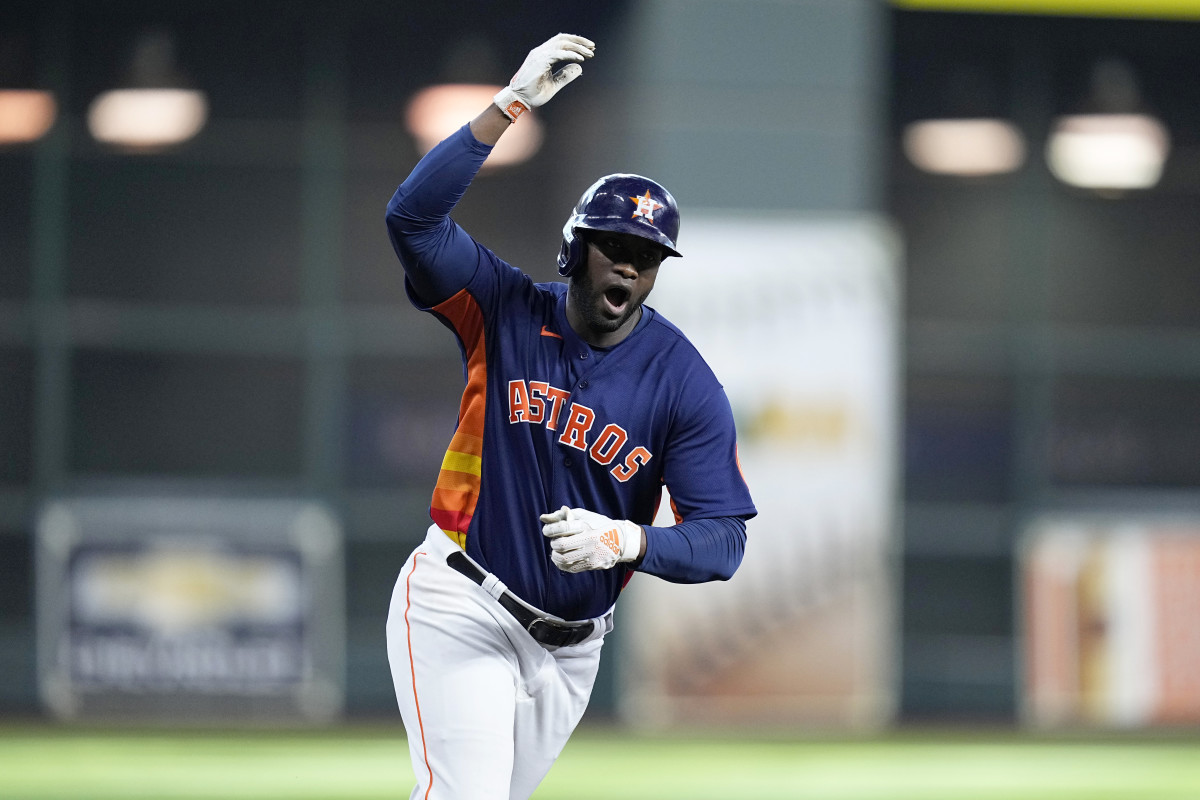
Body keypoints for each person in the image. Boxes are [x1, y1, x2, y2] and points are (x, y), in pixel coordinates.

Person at [384, 32, 757, 800]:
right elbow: (413, 222)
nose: (628, 264)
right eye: (614, 245)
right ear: (574, 251)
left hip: (571, 652)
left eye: (647, 256)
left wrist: (629, 539)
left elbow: (723, 540)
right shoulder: (504, 308)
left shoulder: (681, 382)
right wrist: (508, 105)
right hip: (463, 602)